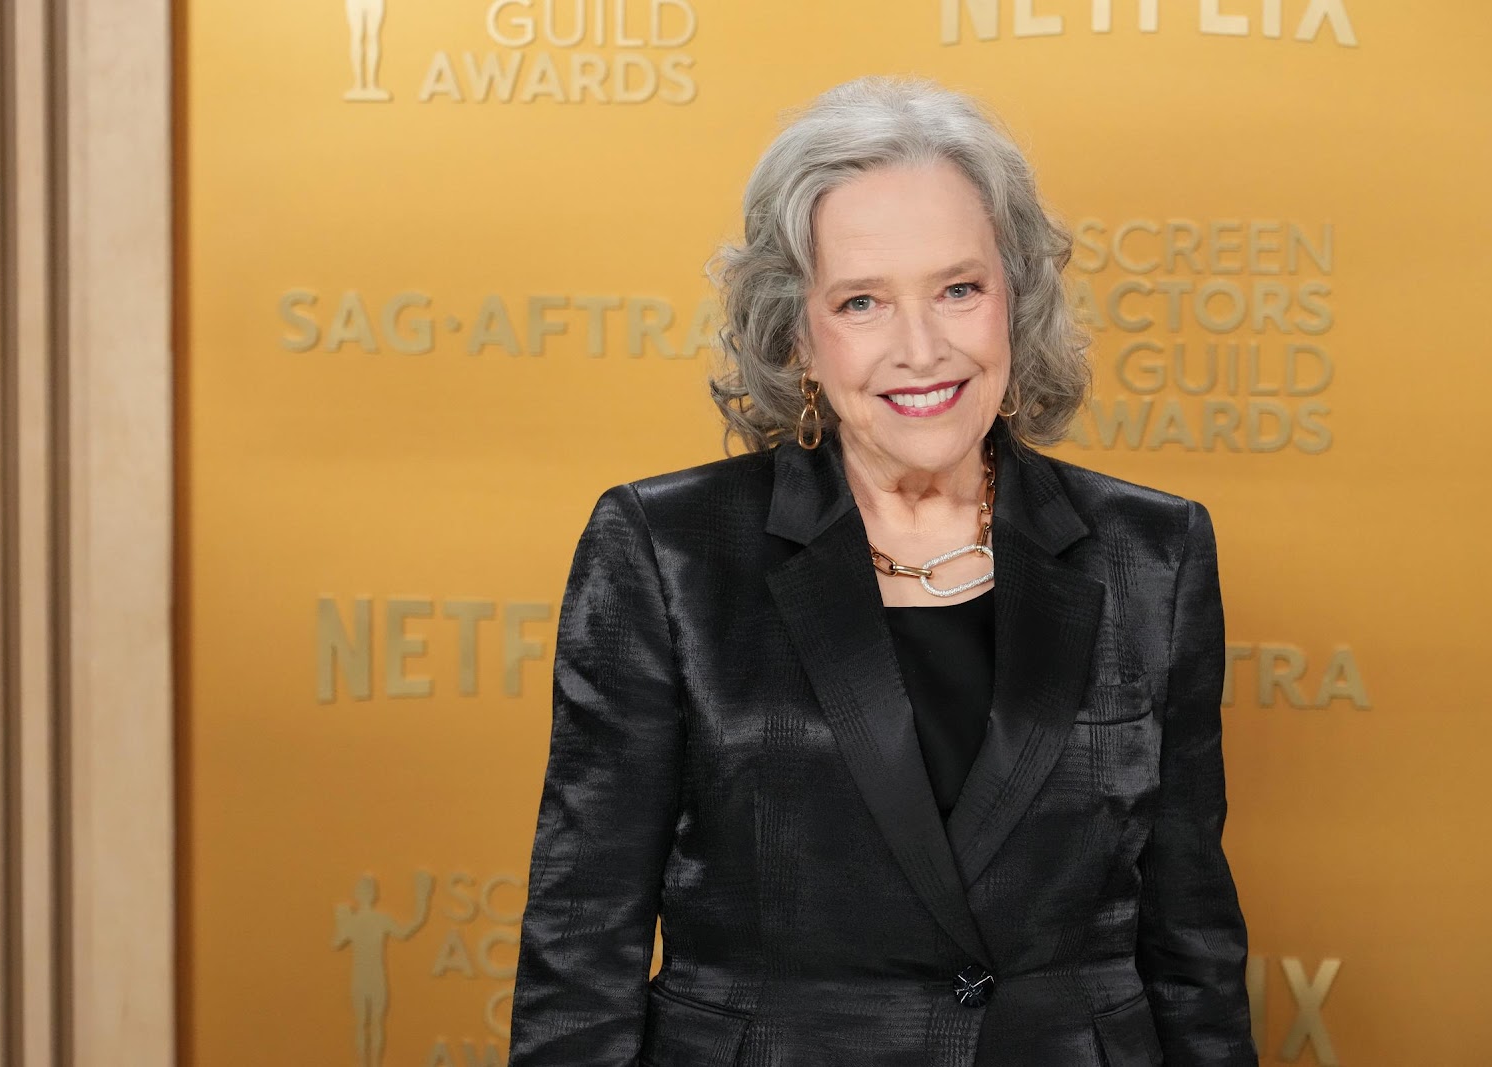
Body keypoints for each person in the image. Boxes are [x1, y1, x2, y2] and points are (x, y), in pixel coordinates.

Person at [507, 76, 1256, 1066]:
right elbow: (581, 939)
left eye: (958, 288)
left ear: (1014, 301)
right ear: (797, 335)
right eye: (861, 301)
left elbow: (1188, 940)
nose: (921, 348)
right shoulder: (665, 549)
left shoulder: (1152, 553)